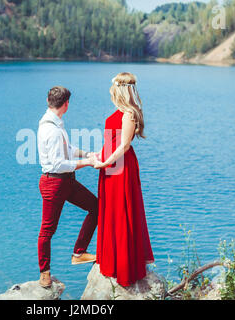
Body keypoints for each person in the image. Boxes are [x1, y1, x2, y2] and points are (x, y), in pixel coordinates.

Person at [94, 72, 154, 287]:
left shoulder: (128, 113)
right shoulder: (119, 111)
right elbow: (112, 141)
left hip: (120, 166)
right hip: (110, 163)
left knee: (121, 210)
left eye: (113, 87)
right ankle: (111, 260)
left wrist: (104, 162)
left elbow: (124, 146)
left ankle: (124, 266)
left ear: (118, 89)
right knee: (111, 210)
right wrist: (99, 157)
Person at [37, 86, 98, 288]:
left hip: (66, 181)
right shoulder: (51, 129)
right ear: (66, 104)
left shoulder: (55, 123)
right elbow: (58, 164)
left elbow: (68, 150)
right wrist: (88, 164)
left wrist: (87, 154)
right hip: (54, 182)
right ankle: (44, 273)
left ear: (48, 100)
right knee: (48, 230)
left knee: (96, 207)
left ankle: (79, 253)